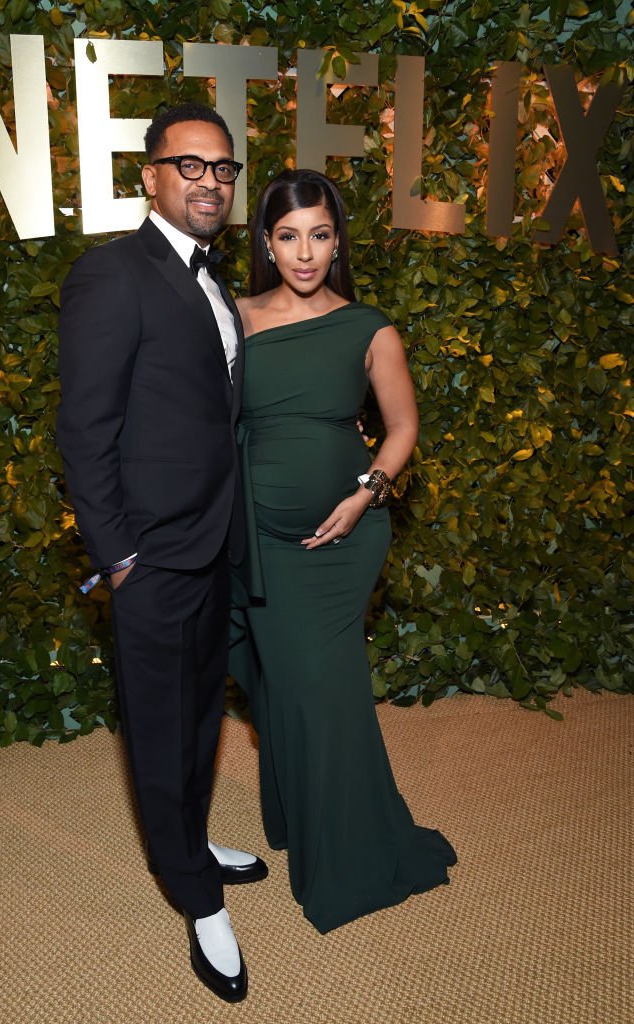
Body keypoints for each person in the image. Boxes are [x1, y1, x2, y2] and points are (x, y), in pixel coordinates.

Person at [57, 103, 268, 1004]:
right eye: (190, 165)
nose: (210, 182)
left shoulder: (212, 280)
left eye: (222, 169)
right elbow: (84, 430)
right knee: (158, 727)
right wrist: (118, 556)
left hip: (211, 542)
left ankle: (190, 834)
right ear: (150, 176)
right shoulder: (114, 273)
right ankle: (194, 894)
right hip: (151, 557)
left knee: (197, 716)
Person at [230, 168, 457, 933]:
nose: (304, 253)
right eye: (288, 236)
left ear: (337, 241)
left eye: (320, 235)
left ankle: (348, 857)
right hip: (259, 541)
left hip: (345, 541)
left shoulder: (369, 327)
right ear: (266, 240)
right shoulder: (231, 317)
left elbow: (401, 430)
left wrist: (364, 494)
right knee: (288, 692)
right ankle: (307, 822)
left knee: (323, 693)